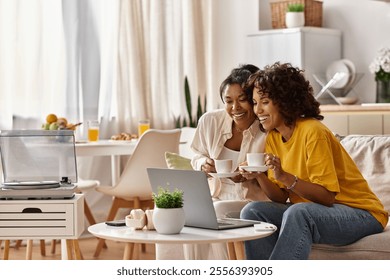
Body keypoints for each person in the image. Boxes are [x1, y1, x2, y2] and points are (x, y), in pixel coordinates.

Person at [239, 62, 388, 260]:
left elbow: (326, 197)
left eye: (264, 101)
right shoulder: (274, 137)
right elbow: (280, 198)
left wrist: (285, 176)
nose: (258, 110)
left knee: (299, 213)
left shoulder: (313, 131)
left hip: (363, 214)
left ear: (284, 100)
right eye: (255, 102)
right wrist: (259, 175)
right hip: (318, 212)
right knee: (253, 212)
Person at [184, 64, 268, 259]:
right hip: (215, 193)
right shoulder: (210, 121)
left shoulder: (266, 127)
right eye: (228, 101)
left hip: (251, 199)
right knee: (183, 209)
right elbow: (195, 153)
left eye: (242, 100)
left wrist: (252, 175)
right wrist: (201, 163)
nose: (235, 108)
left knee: (217, 211)